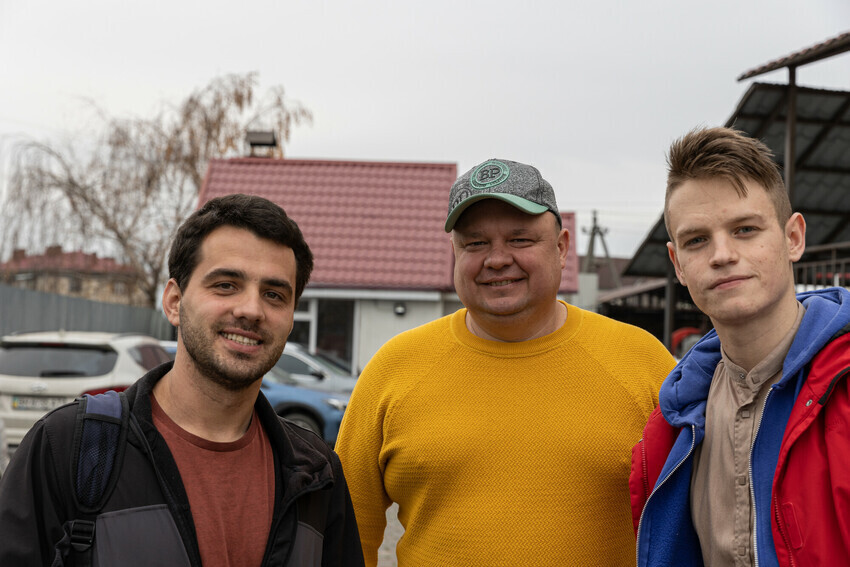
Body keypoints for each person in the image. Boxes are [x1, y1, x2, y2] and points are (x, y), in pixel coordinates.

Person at [336, 158, 676, 566]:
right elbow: (344, 537)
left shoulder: (641, 362)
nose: (497, 259)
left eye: (520, 240)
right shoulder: (394, 369)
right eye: (475, 243)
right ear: (454, 253)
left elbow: (697, 520)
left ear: (562, 247)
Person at [0, 194, 364, 566]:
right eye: (225, 285)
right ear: (174, 301)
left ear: (290, 317)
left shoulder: (317, 473)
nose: (252, 310)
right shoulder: (69, 448)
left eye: (274, 294)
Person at [631, 127, 850, 566]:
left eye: (745, 229)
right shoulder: (671, 428)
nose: (722, 254)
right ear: (677, 264)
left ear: (793, 238)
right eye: (697, 240)